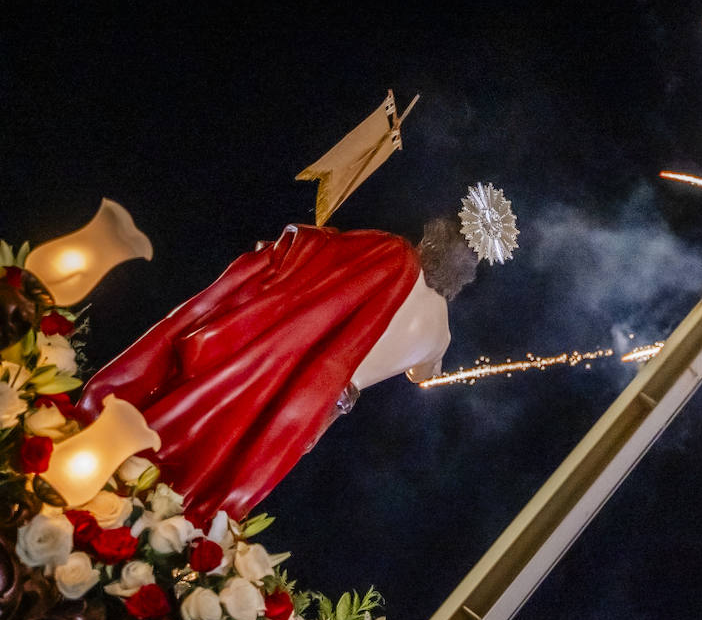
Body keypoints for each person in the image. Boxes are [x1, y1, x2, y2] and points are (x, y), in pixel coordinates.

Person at [76, 215, 488, 527]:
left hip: (297, 360)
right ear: (463, 275)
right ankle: (162, 521)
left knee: (209, 421)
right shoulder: (441, 335)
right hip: (326, 405)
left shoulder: (393, 252)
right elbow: (423, 376)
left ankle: (117, 477)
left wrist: (305, 246)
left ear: (433, 239)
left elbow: (318, 256)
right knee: (243, 459)